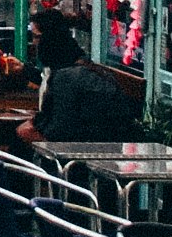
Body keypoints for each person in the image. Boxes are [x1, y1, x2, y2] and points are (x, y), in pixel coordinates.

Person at [19, 16, 140, 146]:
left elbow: (58, 132)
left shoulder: (67, 77)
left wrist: (31, 130)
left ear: (49, 40)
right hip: (104, 145)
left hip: (86, 152)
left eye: (36, 37)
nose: (34, 43)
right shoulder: (83, 70)